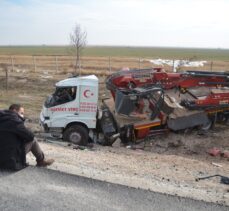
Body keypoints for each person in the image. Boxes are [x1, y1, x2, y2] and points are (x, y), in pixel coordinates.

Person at [0, 104, 54, 170]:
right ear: (14, 111)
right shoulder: (15, 121)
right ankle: (41, 161)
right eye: (21, 113)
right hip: (8, 161)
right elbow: (30, 136)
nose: (23, 116)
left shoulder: (2, 118)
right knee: (33, 140)